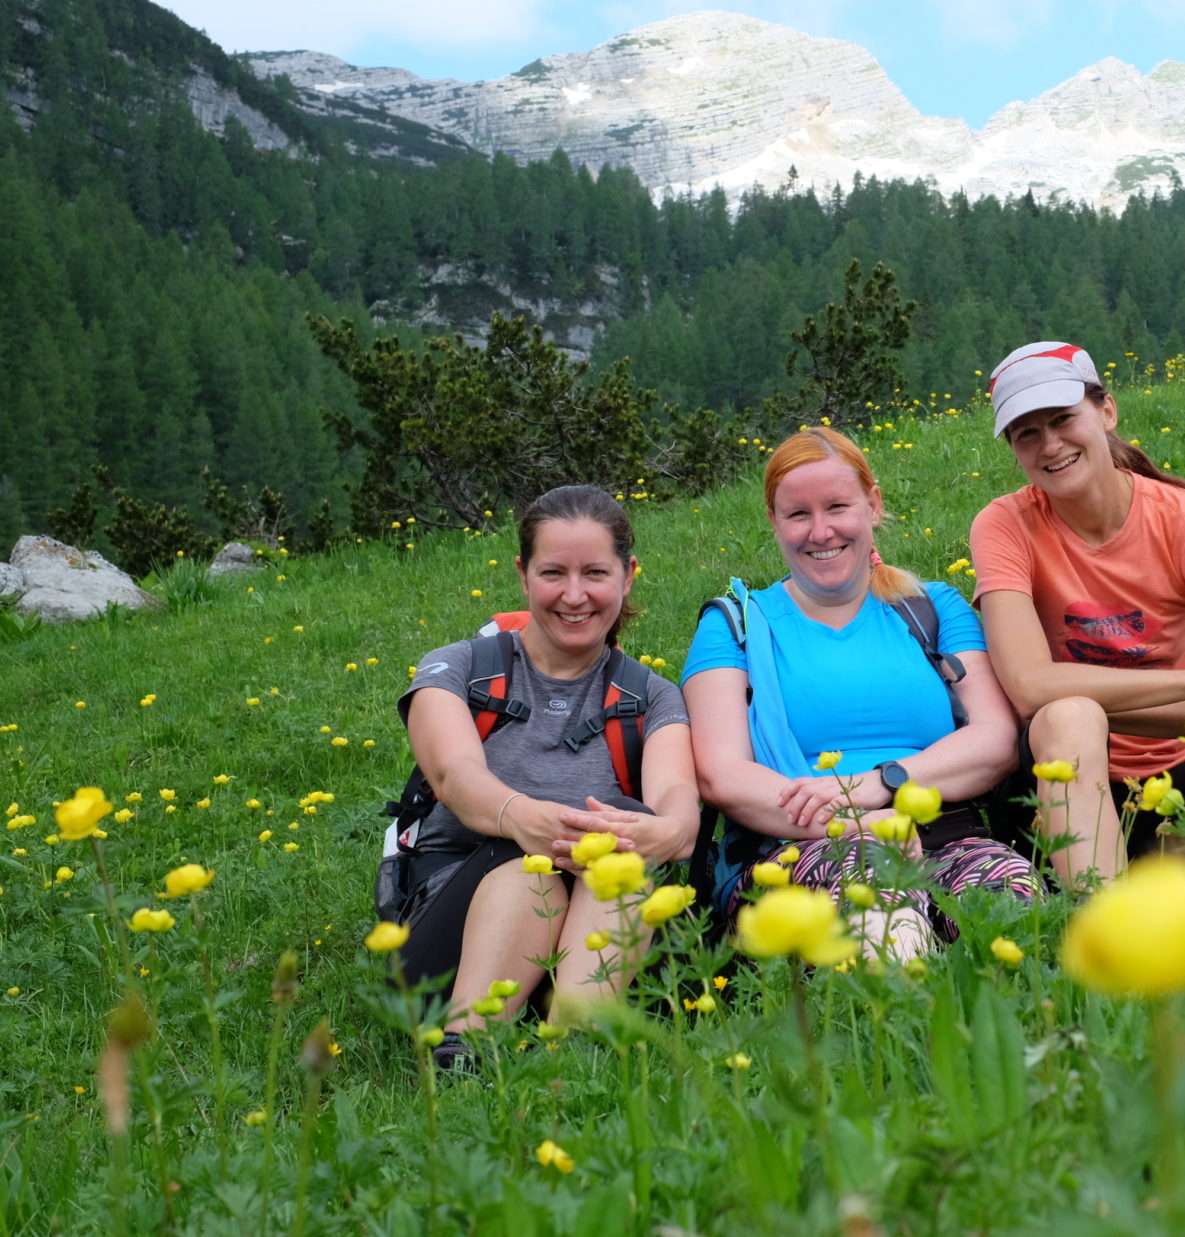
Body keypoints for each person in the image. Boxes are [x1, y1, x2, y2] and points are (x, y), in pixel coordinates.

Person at [969, 341, 1185, 888]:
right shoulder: (1003, 525)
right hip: (1073, 775)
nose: (1050, 445)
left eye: (1063, 419)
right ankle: (1109, 934)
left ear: (1106, 411)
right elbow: (1030, 689)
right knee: (1068, 717)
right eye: (1026, 434)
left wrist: (1103, 700)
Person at [683, 426, 1034, 957]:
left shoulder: (932, 609)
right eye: (798, 514)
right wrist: (855, 820)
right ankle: (893, 1024)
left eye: (837, 507)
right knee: (879, 897)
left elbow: (994, 740)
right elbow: (722, 775)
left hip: (946, 834)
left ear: (873, 505)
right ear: (773, 523)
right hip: (797, 849)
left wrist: (880, 784)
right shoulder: (736, 626)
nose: (820, 531)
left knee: (1016, 913)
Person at [395, 485, 696, 1062]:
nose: (575, 595)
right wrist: (523, 819)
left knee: (625, 861)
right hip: (453, 943)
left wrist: (669, 831)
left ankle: (572, 1055)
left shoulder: (653, 698)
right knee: (526, 870)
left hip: (600, 933)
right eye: (554, 572)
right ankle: (466, 1050)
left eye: (596, 573)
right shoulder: (456, 670)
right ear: (523, 575)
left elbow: (678, 795)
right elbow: (455, 775)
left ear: (628, 576)